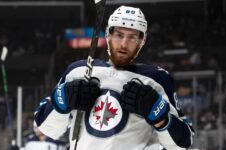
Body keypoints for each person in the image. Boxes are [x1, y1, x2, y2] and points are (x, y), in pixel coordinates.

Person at [34, 5, 194, 150]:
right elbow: (48, 128)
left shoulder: (157, 79)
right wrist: (63, 99)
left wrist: (161, 118)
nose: (124, 44)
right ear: (108, 35)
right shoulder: (78, 71)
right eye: (119, 35)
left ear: (142, 41)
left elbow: (183, 143)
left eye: (132, 37)